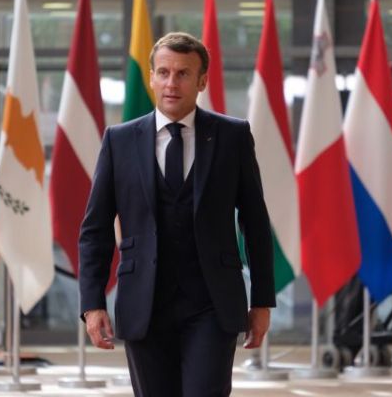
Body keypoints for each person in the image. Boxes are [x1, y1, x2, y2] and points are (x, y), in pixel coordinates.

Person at [79, 32, 275, 397]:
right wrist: (92, 304)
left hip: (212, 304)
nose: (172, 83)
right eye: (164, 72)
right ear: (152, 77)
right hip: (144, 303)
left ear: (202, 81)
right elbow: (96, 229)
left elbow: (255, 223)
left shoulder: (232, 136)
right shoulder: (119, 141)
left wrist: (262, 300)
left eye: (183, 73)